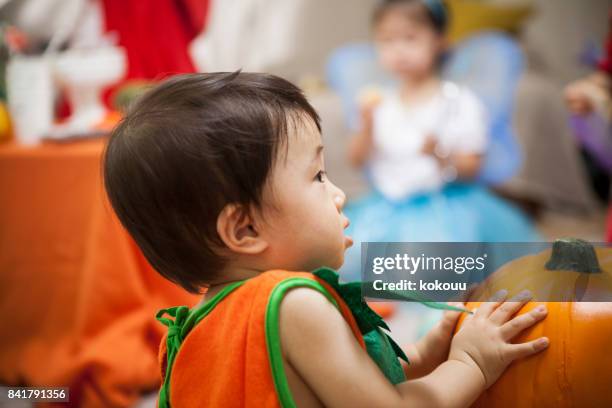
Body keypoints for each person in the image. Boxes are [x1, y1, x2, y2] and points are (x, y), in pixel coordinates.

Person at [103, 71, 549, 407]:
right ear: (245, 229)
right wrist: (470, 364)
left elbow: (340, 384)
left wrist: (423, 354)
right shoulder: (294, 303)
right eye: (317, 176)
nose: (338, 195)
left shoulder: (200, 324)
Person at [342, 0, 539, 279]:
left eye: (410, 38)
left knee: (439, 275)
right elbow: (357, 159)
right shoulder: (378, 103)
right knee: (355, 267)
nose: (398, 50)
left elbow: (472, 166)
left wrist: (440, 152)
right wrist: (366, 126)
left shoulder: (457, 101)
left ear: (440, 42)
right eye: (386, 40)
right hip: (387, 208)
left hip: (446, 207)